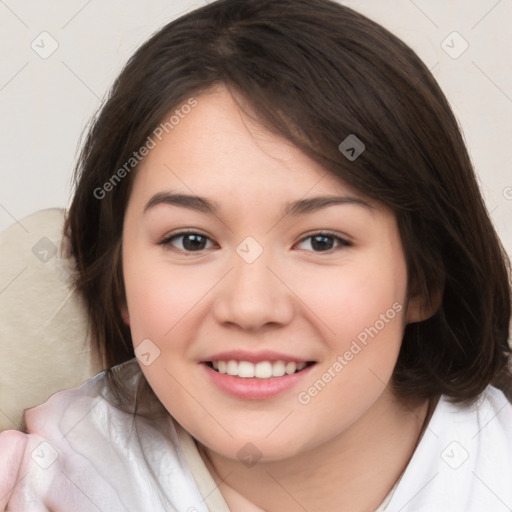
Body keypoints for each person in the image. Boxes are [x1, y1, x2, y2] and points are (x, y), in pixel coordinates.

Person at [1, 0, 511, 510]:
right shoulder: (41, 486)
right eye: (191, 240)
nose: (250, 307)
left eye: (321, 241)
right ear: (119, 281)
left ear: (424, 278)